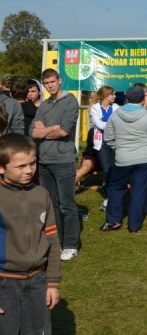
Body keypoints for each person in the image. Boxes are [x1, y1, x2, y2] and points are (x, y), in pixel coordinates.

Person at [0, 134, 61, 334]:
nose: (28, 170)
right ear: (1, 168)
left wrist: (53, 282)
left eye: (32, 163)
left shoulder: (41, 194)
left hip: (37, 281)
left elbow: (52, 239)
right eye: (20, 166)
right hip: (4, 284)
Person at [30, 69, 80, 261]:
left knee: (67, 205)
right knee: (51, 205)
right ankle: (55, 242)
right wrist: (52, 128)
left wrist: (45, 131)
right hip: (44, 160)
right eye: (46, 83)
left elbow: (64, 131)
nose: (50, 85)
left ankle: (71, 244)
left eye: (52, 81)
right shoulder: (44, 105)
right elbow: (32, 131)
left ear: (59, 81)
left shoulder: (70, 101)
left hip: (63, 160)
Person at [101, 86, 147, 233]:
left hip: (123, 158)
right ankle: (134, 225)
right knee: (139, 190)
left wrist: (118, 148)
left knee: (116, 188)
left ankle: (113, 220)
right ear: (143, 100)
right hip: (144, 158)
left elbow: (108, 138)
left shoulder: (116, 115)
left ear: (127, 99)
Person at [89, 86, 119, 199]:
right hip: (102, 144)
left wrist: (105, 122)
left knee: (116, 169)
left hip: (116, 143)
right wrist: (112, 123)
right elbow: (99, 125)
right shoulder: (95, 108)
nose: (115, 96)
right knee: (107, 169)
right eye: (112, 94)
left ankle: (113, 192)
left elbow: (118, 123)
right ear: (106, 96)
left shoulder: (116, 107)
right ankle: (108, 193)